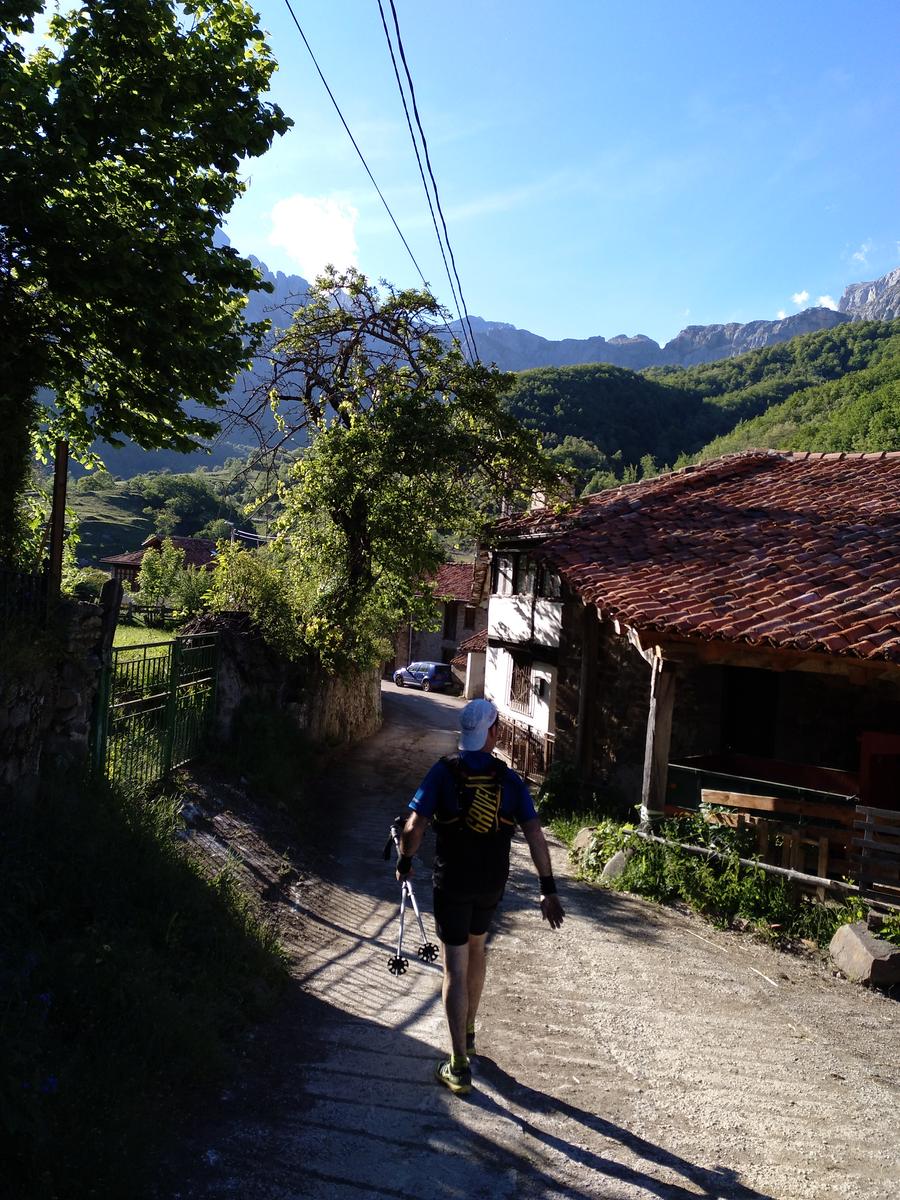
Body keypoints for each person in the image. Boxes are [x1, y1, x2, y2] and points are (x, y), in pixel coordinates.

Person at [395, 697, 564, 1096]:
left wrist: (404, 861)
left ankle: (457, 1064)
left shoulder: (442, 773)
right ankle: (469, 1033)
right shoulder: (510, 781)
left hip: (452, 881)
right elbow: (535, 835)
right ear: (492, 733)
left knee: (455, 965)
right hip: (491, 882)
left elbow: (414, 828)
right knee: (477, 950)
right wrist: (547, 888)